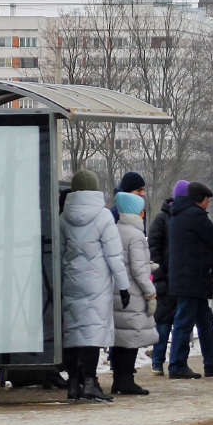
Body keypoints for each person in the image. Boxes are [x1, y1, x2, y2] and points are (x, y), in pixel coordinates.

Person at [60, 169, 131, 402]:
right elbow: (114, 255)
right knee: (91, 332)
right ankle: (90, 382)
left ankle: (73, 384)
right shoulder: (103, 217)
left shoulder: (63, 217)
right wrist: (123, 285)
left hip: (70, 282)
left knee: (72, 332)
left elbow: (59, 255)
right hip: (97, 284)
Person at [167, 182, 213, 379]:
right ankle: (177, 365)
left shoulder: (177, 215)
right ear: (200, 200)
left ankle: (211, 362)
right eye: (207, 200)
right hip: (193, 278)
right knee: (184, 321)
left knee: (204, 320)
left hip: (186, 277)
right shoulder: (195, 215)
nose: (208, 205)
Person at [109, 191, 159, 395]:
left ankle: (118, 380)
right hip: (133, 293)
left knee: (120, 338)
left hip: (116, 291)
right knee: (132, 338)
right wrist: (150, 293)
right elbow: (138, 270)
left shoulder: (115, 230)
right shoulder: (136, 236)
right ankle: (127, 380)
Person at [147, 180, 186, 375]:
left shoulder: (175, 218)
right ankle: (157, 361)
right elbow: (153, 251)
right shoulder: (162, 220)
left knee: (176, 323)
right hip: (166, 281)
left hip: (179, 280)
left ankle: (174, 362)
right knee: (163, 324)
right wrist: (159, 278)